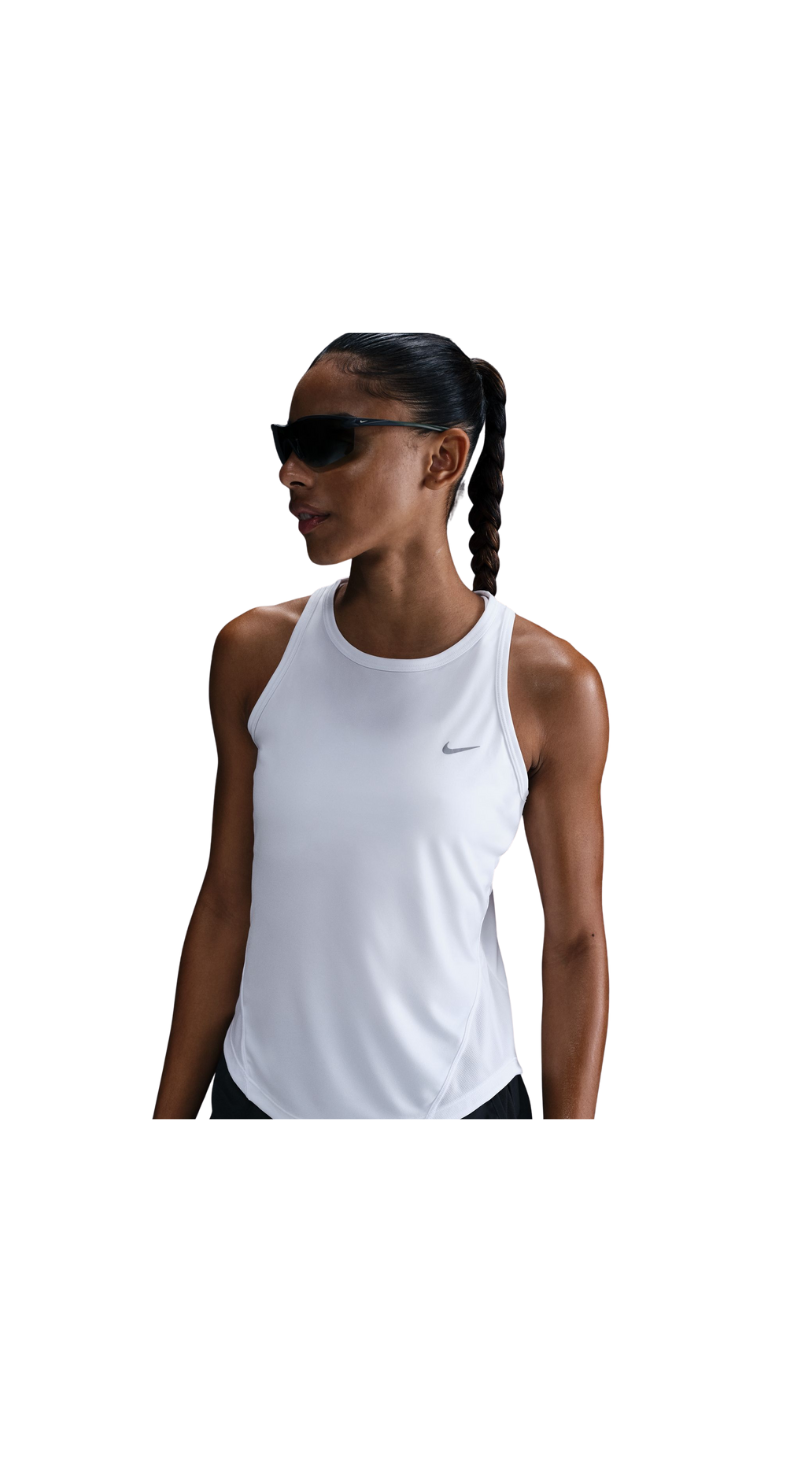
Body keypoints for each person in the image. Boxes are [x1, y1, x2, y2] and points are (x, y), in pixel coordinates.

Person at [153, 332, 609, 1120]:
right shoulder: (254, 656)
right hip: (259, 1105)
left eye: (327, 442)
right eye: (287, 445)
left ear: (442, 459)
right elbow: (226, 904)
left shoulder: (549, 686)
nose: (291, 473)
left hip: (457, 1114)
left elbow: (575, 944)